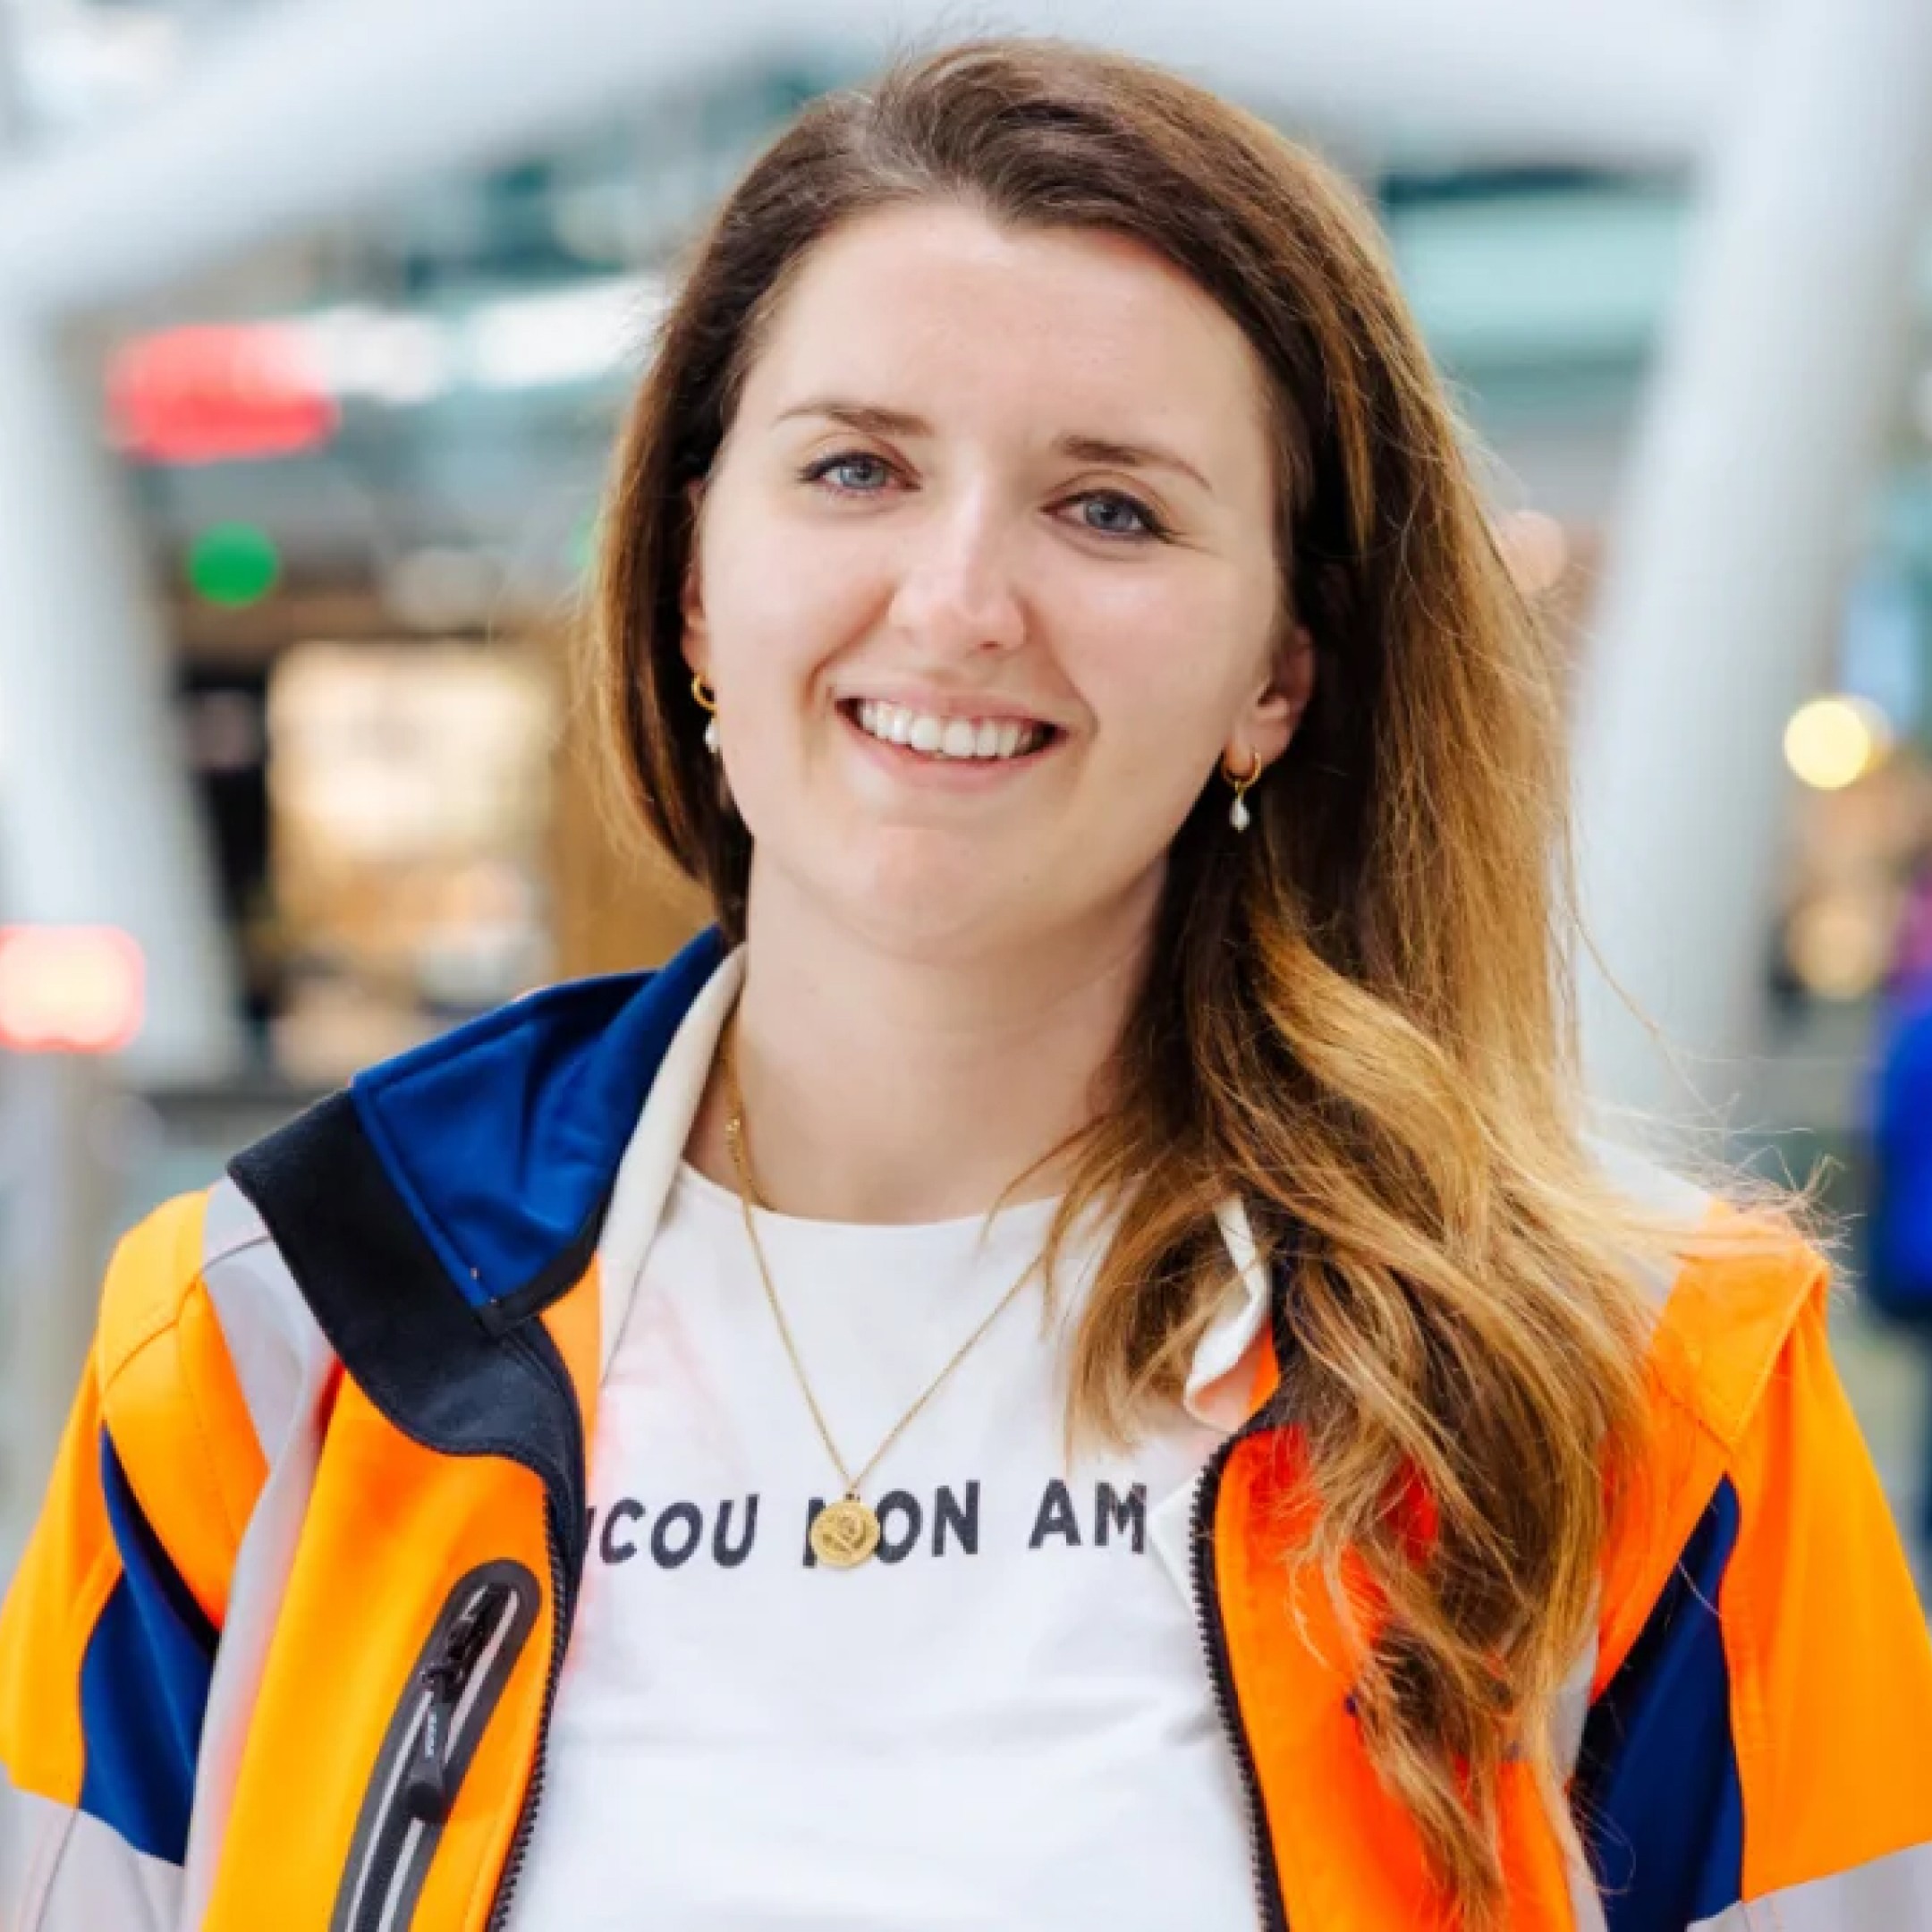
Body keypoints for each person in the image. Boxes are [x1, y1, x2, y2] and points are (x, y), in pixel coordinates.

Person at [4, 38, 1930, 1932]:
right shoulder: (291, 1329)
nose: (956, 603)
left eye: (1112, 509)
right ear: (690, 577)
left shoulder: (1643, 1398)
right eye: (857, 468)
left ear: (1282, 670)